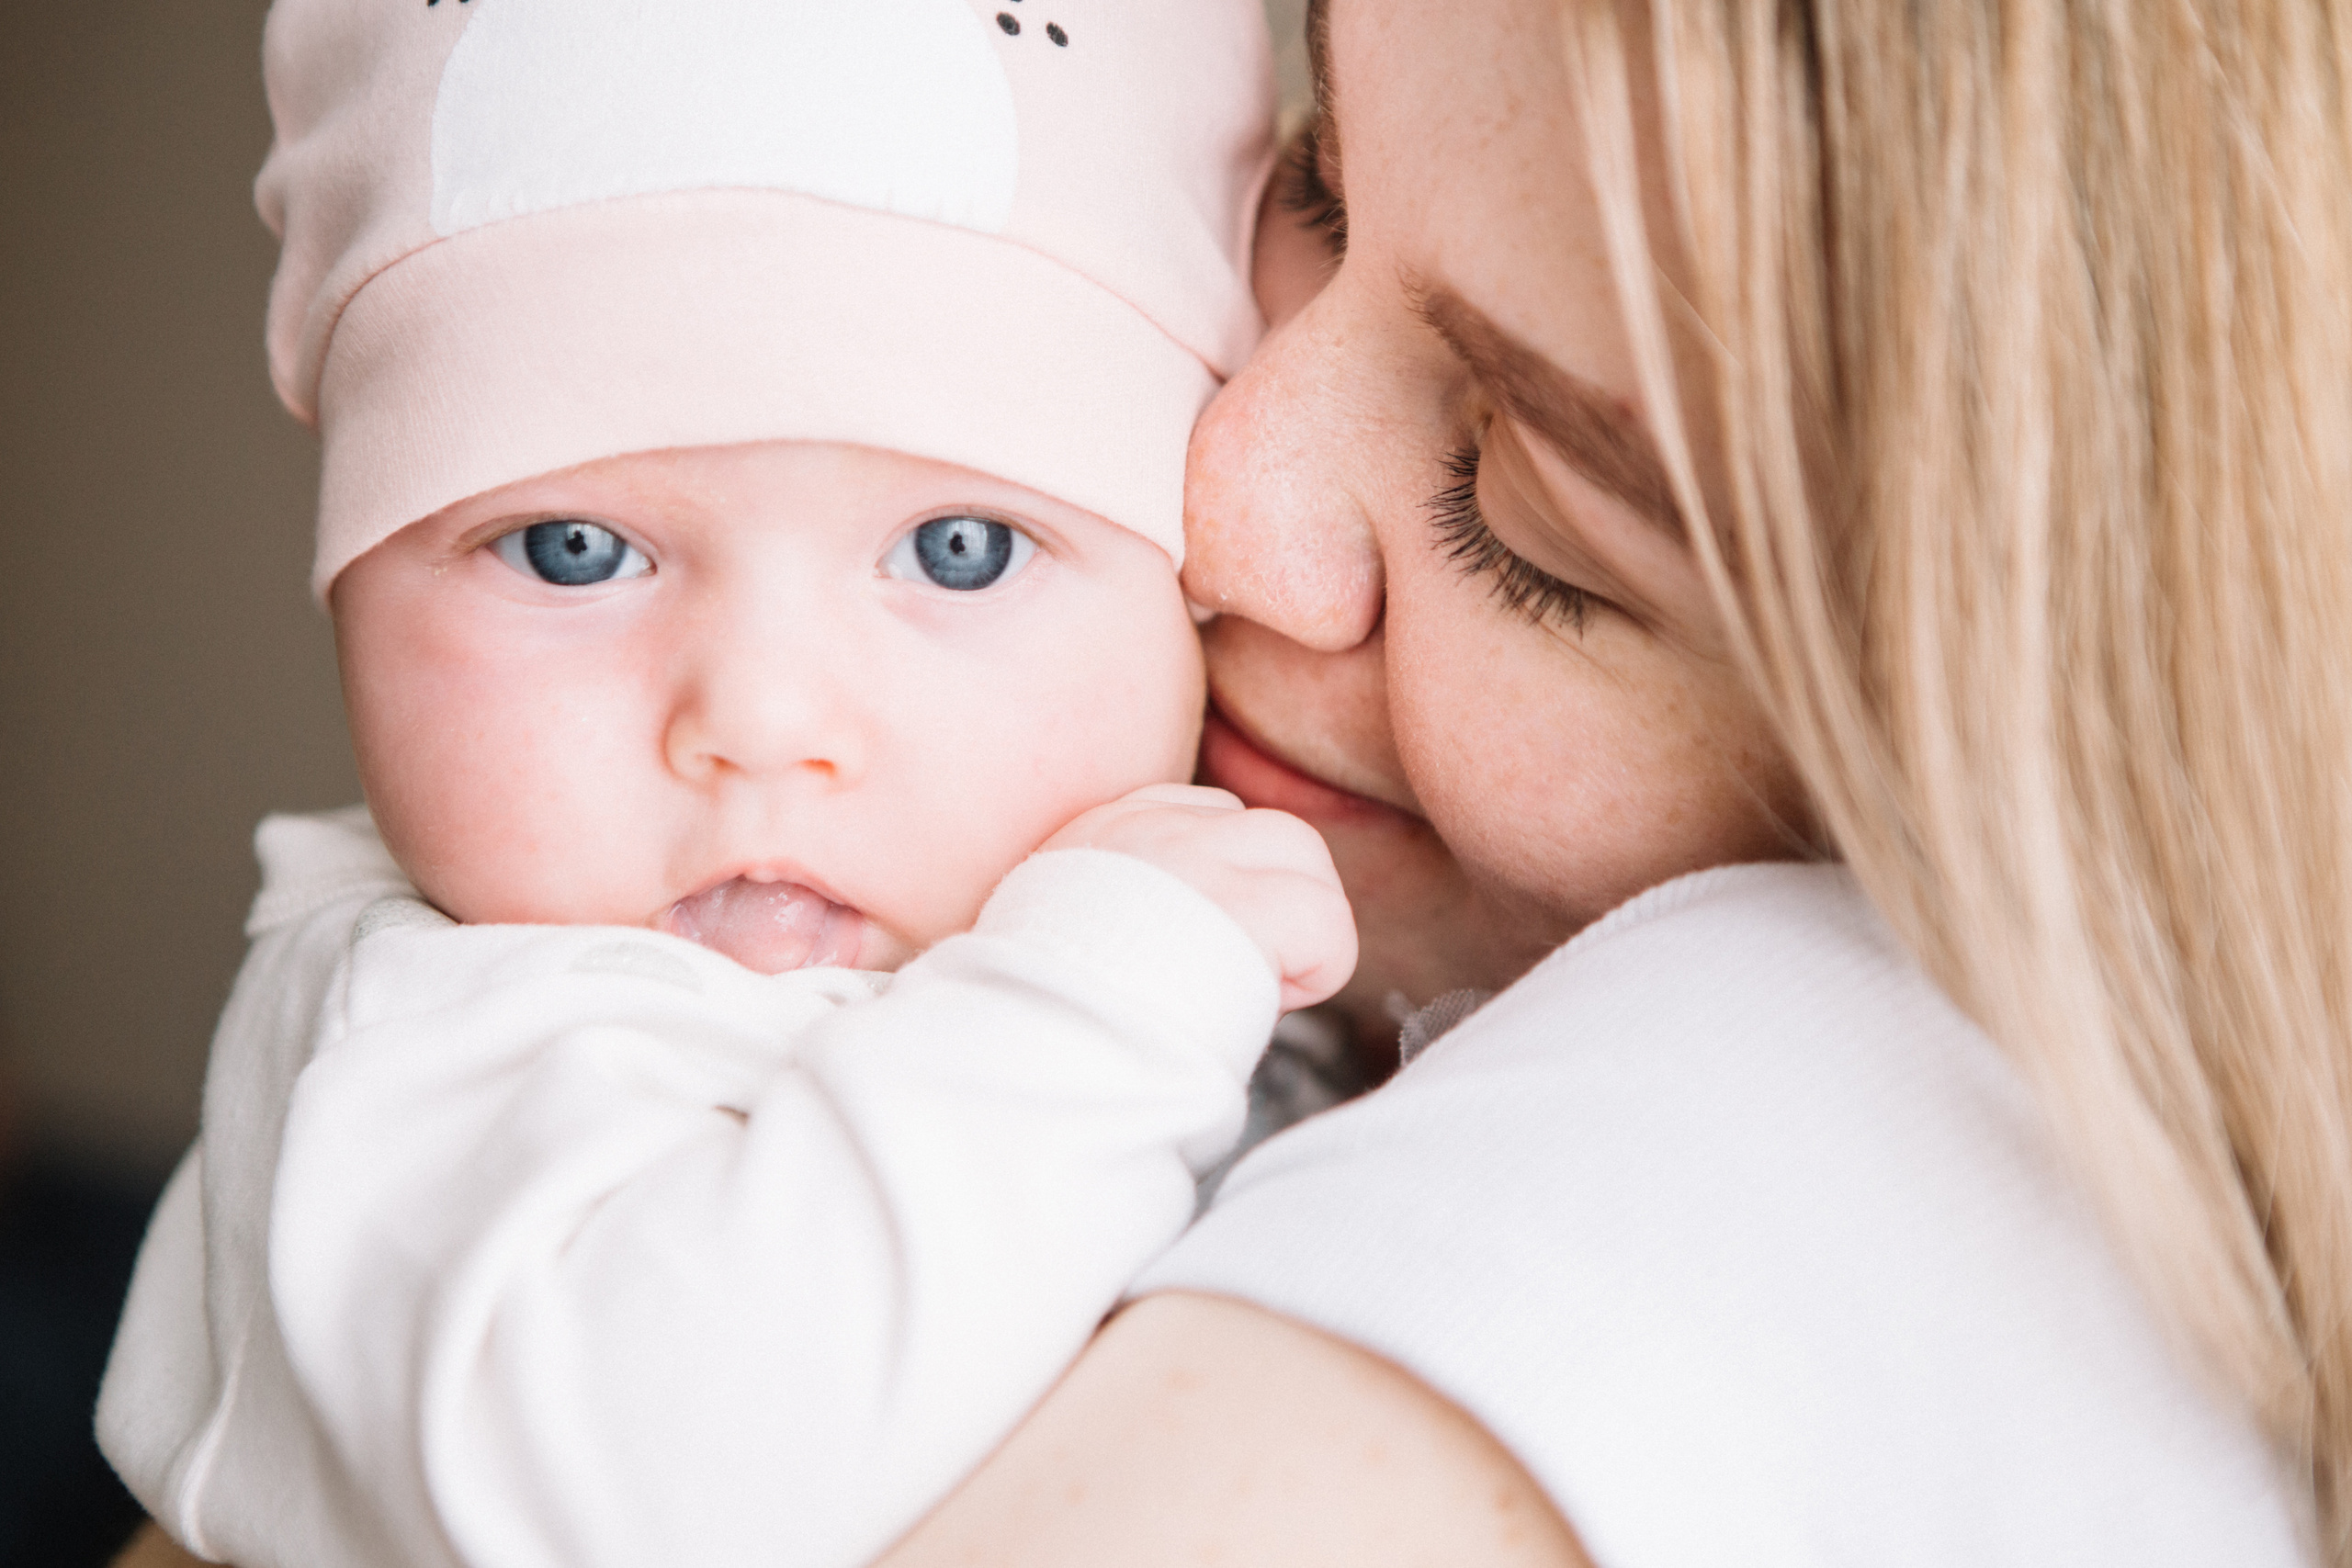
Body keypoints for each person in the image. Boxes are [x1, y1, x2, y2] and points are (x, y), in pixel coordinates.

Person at [114, 0, 2352, 1562]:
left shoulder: (1796, 1107)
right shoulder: (476, 1017)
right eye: (1310, 183)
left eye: (1529, 518)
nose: (1219, 493)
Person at [94, 4, 1358, 1567]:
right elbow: (646, 1508)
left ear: (1190, 596)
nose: (759, 722)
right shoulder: (425, 1051)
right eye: (576, 550)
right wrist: (1109, 998)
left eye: (958, 551)